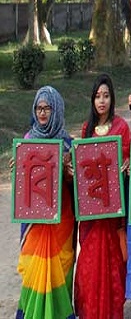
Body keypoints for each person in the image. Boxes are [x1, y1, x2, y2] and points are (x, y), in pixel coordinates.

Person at [14, 86, 76, 318]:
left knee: (61, 268)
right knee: (34, 269)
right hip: (36, 223)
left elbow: (75, 185)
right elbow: (24, 186)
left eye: (47, 108)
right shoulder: (27, 141)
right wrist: (18, 167)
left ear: (56, 109)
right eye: (38, 108)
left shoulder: (67, 143)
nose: (42, 113)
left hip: (62, 221)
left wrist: (69, 172)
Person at [75, 74, 131, 319]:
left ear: (112, 98)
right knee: (89, 267)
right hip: (92, 218)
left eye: (106, 96)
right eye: (98, 96)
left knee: (113, 266)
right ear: (92, 99)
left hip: (113, 216)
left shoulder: (121, 128)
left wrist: (127, 165)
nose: (102, 101)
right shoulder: (86, 129)